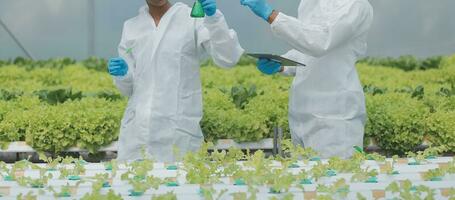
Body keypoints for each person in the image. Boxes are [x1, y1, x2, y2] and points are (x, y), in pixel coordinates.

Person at [108, 0, 244, 162]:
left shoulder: (192, 18)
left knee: (180, 183)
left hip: (178, 129)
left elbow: (227, 58)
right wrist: (123, 74)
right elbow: (128, 89)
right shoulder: (131, 27)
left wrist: (214, 18)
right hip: (137, 133)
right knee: (134, 184)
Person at [241, 0, 373, 158]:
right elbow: (305, 50)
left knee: (334, 179)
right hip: (302, 115)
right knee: (304, 180)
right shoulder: (310, 3)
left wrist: (272, 15)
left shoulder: (354, 5)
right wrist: (282, 64)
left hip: (335, 118)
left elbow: (321, 41)